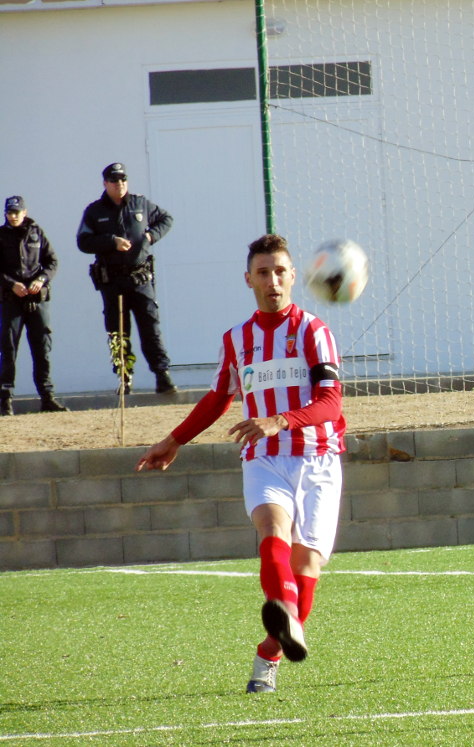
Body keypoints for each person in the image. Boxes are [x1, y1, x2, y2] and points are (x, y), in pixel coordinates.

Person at [136, 234, 346, 694]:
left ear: (294, 276)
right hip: (263, 457)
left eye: (280, 272)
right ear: (248, 279)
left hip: (317, 457)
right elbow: (218, 398)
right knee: (271, 529)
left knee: (307, 568)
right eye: (263, 272)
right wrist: (173, 440)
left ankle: (269, 652)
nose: (273, 281)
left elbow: (331, 402)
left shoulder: (314, 332)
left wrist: (280, 420)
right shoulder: (237, 340)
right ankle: (284, 611)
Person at [76, 162, 176, 395]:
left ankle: (162, 375)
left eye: (123, 179)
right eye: (114, 180)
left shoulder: (140, 203)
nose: (119, 184)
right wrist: (111, 242)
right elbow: (83, 242)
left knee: (150, 328)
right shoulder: (95, 211)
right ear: (105, 183)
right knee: (118, 332)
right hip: (113, 281)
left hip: (140, 278)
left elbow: (166, 219)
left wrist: (150, 236)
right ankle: (124, 377)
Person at [0, 196, 68, 415]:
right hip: (12, 301)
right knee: (9, 348)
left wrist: (41, 280)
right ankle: (5, 400)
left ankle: (47, 397)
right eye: (9, 212)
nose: (13, 216)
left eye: (16, 212)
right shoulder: (1, 235)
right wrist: (11, 284)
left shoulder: (37, 233)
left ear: (25, 212)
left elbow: (52, 262)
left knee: (42, 348)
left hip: (36, 300)